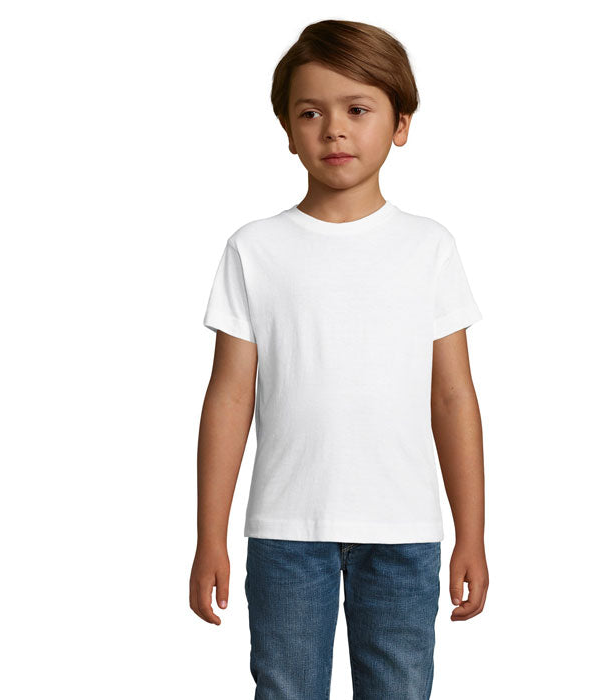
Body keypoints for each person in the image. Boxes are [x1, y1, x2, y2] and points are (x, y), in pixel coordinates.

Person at [189, 18, 489, 699]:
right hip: (287, 530)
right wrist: (211, 536)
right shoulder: (254, 250)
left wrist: (470, 533)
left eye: (357, 110)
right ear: (287, 130)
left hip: (403, 529)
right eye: (311, 113)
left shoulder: (430, 248)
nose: (334, 131)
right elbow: (229, 398)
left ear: (401, 124)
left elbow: (453, 398)